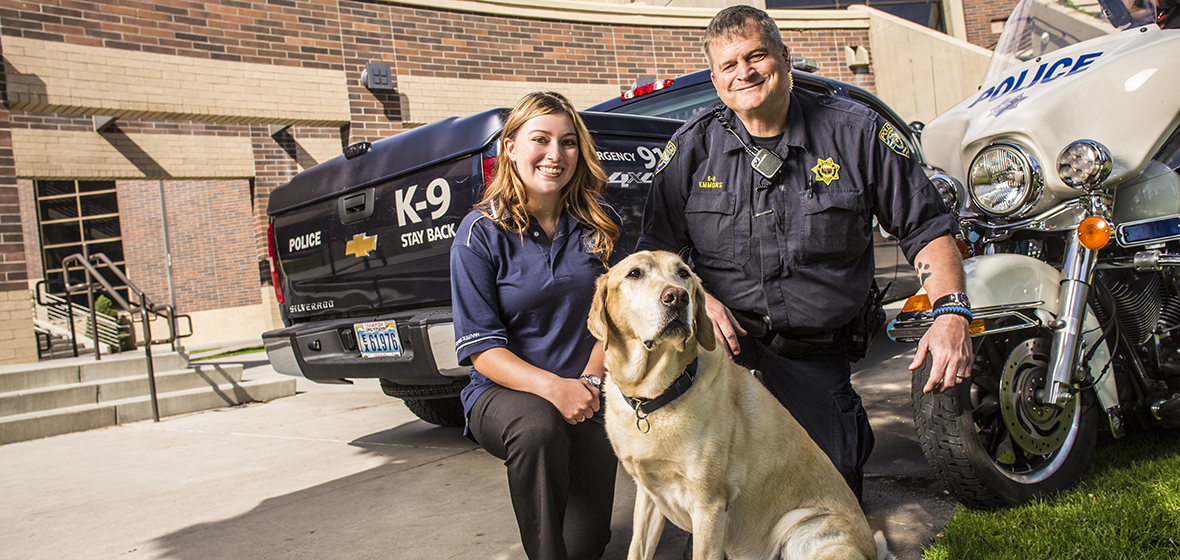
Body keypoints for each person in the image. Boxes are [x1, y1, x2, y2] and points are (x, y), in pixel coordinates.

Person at [636, 5, 973, 500]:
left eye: (756, 56)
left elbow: (925, 227)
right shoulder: (692, 147)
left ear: (784, 57)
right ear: (714, 79)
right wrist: (698, 300)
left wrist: (951, 314)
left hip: (809, 354)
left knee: (829, 496)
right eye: (728, 66)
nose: (744, 73)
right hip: (717, 353)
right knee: (717, 499)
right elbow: (653, 253)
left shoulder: (855, 134)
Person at [450, 91, 627, 560]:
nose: (555, 155)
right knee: (538, 426)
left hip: (588, 390)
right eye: (540, 139)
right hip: (504, 396)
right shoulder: (479, 234)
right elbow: (482, 350)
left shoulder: (601, 224)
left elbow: (615, 320)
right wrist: (555, 389)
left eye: (568, 142)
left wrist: (588, 382)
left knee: (585, 547)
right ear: (510, 147)